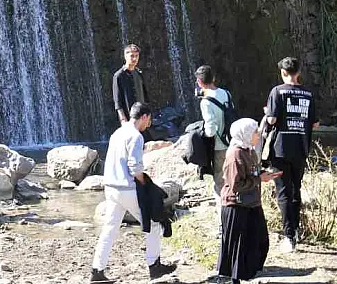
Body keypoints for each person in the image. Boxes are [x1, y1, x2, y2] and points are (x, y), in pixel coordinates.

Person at [91, 102, 176, 283]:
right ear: (144, 117)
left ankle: (97, 270)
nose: (150, 124)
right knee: (152, 223)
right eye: (149, 120)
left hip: (111, 187)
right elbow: (135, 167)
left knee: (110, 228)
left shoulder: (118, 132)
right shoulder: (136, 136)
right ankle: (155, 266)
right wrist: (146, 183)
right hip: (127, 189)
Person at [264, 56, 319, 253]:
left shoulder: (277, 91)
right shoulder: (308, 94)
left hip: (280, 150)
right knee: (296, 190)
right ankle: (296, 231)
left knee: (283, 193)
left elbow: (271, 120)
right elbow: (315, 123)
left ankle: (289, 237)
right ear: (299, 72)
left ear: (283, 73)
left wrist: (268, 113)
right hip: (301, 148)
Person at [217, 118, 280, 283]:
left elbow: (252, 173)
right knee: (238, 247)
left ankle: (247, 274)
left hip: (250, 202)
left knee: (259, 241)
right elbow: (235, 184)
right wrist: (260, 179)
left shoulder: (249, 150)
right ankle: (235, 280)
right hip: (236, 205)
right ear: (245, 134)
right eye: (254, 132)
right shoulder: (235, 154)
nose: (258, 135)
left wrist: (265, 174)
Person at [196, 65, 234, 204]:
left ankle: (223, 216)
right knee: (233, 178)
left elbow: (210, 130)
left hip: (219, 146)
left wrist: (202, 135)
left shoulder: (205, 102)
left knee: (220, 182)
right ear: (214, 78)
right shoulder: (226, 94)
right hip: (232, 142)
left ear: (199, 82)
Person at [112, 44, 149, 125]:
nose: (135, 58)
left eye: (137, 56)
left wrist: (148, 117)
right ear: (125, 56)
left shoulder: (139, 73)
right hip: (129, 119)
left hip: (142, 118)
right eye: (132, 56)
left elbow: (145, 96)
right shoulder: (118, 76)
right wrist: (123, 120)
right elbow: (118, 102)